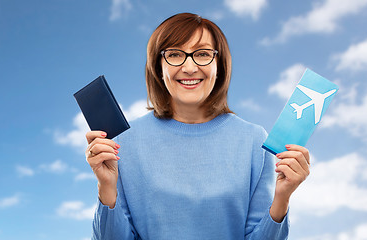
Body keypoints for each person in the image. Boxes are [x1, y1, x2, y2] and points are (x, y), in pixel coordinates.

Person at [85, 13, 310, 240]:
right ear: (158, 67)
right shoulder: (123, 141)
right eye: (174, 54)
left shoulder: (253, 140)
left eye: (202, 54)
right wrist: (106, 188)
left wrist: (282, 198)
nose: (190, 67)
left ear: (219, 66)